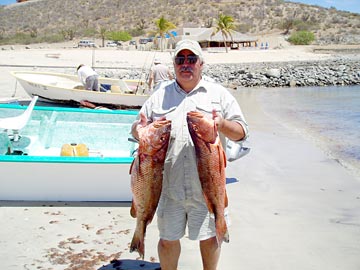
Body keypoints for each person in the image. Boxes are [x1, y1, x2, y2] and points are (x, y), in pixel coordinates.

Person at [131, 39, 249, 270]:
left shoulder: (219, 94)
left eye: (191, 59)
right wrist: (139, 130)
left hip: (207, 187)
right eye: (180, 59)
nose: (186, 64)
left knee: (210, 238)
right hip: (166, 187)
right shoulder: (158, 96)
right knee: (167, 240)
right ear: (174, 64)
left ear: (201, 64)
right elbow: (136, 128)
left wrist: (222, 124)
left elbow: (242, 133)